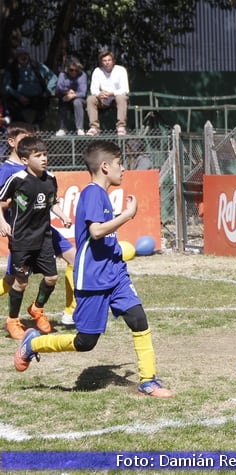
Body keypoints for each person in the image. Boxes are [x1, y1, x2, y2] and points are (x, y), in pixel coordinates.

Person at [13, 140, 174, 398]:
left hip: (115, 273)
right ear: (105, 166)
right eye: (120, 164)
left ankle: (148, 380)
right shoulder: (91, 193)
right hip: (92, 279)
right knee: (85, 342)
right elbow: (96, 231)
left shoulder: (102, 195)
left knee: (138, 319)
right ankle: (34, 343)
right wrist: (127, 215)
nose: (123, 170)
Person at [2, 122, 77, 329]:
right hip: (22, 234)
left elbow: (51, 200)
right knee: (16, 281)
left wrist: (62, 215)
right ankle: (13, 320)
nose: (43, 158)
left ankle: (67, 311)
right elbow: (3, 203)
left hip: (45, 232)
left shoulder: (49, 177)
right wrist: (5, 224)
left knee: (68, 265)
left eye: (44, 154)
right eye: (38, 154)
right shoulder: (12, 174)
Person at [2, 47, 57, 128]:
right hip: (19, 98)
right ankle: (24, 126)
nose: (23, 57)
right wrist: (19, 96)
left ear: (29, 56)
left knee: (44, 103)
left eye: (25, 55)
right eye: (21, 55)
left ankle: (36, 125)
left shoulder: (38, 66)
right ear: (17, 57)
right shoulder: (11, 69)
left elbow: (53, 77)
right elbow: (6, 86)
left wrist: (47, 91)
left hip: (37, 97)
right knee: (12, 105)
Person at [86, 50, 130, 136]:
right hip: (102, 99)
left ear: (113, 61)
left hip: (116, 99)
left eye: (109, 60)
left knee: (121, 97)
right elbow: (93, 89)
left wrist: (111, 93)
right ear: (101, 62)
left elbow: (125, 89)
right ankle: (94, 128)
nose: (107, 63)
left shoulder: (121, 70)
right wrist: (99, 94)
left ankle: (121, 127)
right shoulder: (97, 71)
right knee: (90, 99)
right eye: (104, 61)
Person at [55, 56, 88, 136]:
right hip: (66, 97)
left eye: (76, 70)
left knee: (77, 102)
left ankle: (80, 128)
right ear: (67, 68)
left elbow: (83, 93)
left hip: (80, 99)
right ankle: (62, 128)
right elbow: (58, 89)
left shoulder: (83, 75)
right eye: (71, 70)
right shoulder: (62, 75)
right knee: (63, 100)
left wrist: (73, 95)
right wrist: (67, 92)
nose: (74, 72)